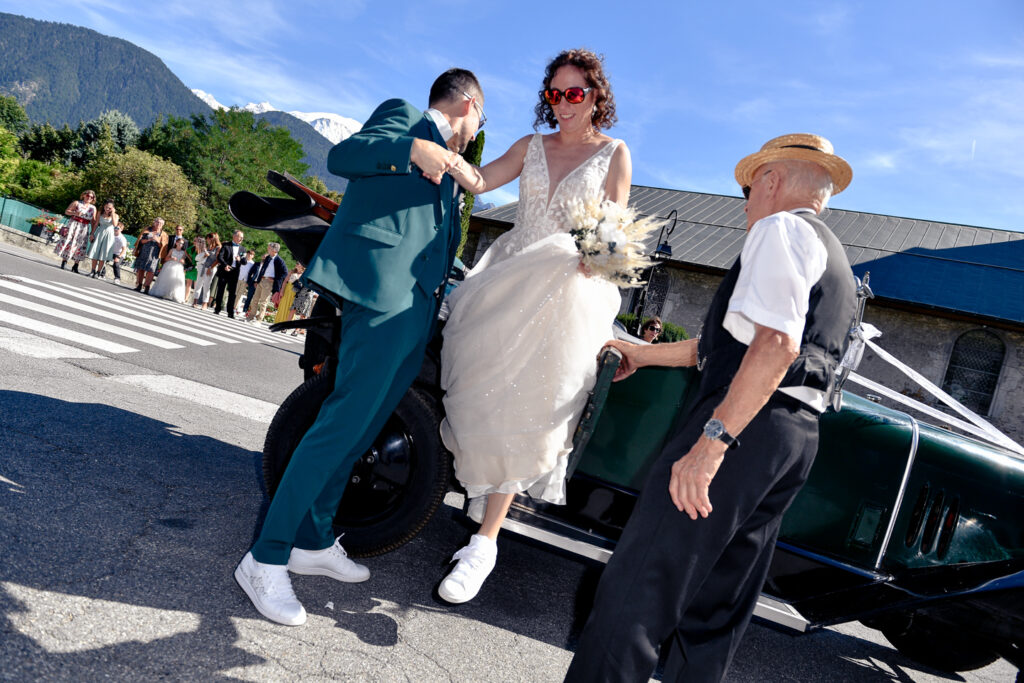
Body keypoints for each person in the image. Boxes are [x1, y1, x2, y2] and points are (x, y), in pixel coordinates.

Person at [565, 133, 858, 683]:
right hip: (791, 440)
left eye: (749, 187)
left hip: (743, 429)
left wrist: (712, 443)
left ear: (772, 181)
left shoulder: (780, 228)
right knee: (715, 611)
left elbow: (775, 345)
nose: (745, 201)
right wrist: (645, 354)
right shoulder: (834, 257)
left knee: (641, 587)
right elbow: (726, 346)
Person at [234, 67, 484, 627]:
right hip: (382, 293)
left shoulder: (449, 163)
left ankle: (314, 538)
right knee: (341, 423)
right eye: (480, 120)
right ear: (468, 104)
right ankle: (265, 557)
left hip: (417, 306)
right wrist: (414, 148)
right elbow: (345, 156)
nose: (475, 132)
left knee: (367, 424)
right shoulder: (409, 119)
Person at [434, 48, 632, 604]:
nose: (563, 104)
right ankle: (472, 511)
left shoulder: (615, 154)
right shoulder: (530, 147)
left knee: (532, 411)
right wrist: (442, 152)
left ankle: (485, 542)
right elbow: (479, 180)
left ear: (595, 96)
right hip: (507, 285)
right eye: (555, 93)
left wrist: (601, 255)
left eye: (574, 93)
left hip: (567, 298)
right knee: (483, 399)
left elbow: (613, 233)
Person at [54, 190, 97, 273]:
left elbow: (93, 221)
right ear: (84, 195)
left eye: (92, 197)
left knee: (80, 245)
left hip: (84, 227)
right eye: (88, 195)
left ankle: (76, 265)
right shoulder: (77, 203)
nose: (89, 198)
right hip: (74, 224)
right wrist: (75, 213)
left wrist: (92, 233)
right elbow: (67, 211)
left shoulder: (93, 208)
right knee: (69, 241)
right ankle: (64, 261)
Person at [245, 243, 288, 323]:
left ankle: (259, 320)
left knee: (263, 301)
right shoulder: (268, 257)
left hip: (269, 282)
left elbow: (285, 273)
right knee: (255, 299)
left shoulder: (280, 261)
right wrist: (258, 281)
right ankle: (250, 317)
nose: (268, 249)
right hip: (261, 280)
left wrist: (275, 279)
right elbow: (262, 269)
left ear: (274, 250)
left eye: (269, 248)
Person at [213, 230, 245, 316]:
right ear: (234, 236)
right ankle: (217, 309)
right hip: (224, 270)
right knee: (220, 290)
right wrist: (225, 265)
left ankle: (230, 312)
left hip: (234, 272)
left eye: (242, 237)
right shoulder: (226, 245)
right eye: (239, 236)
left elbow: (244, 261)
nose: (241, 238)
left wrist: (240, 260)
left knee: (232, 293)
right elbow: (220, 257)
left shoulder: (242, 249)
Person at [132, 218, 167, 294]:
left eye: (160, 223)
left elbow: (164, 247)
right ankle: (139, 285)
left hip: (155, 254)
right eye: (157, 222)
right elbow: (140, 241)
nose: (158, 224)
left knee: (151, 270)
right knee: (141, 268)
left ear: (162, 225)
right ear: (154, 222)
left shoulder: (164, 234)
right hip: (144, 251)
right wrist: (149, 239)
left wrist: (157, 240)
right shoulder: (147, 230)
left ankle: (147, 286)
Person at [149, 236, 188, 302]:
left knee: (176, 281)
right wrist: (171, 258)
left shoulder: (183, 252)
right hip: (169, 266)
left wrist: (182, 261)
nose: (181, 245)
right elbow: (166, 258)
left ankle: (175, 295)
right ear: (176, 243)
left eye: (182, 244)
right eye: (180, 243)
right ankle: (162, 292)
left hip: (178, 267)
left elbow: (184, 261)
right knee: (166, 279)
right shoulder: (172, 250)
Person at [87, 201, 119, 278]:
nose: (107, 209)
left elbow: (115, 225)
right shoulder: (100, 213)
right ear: (104, 206)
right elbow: (96, 224)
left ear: (113, 208)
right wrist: (92, 234)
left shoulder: (115, 216)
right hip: (99, 233)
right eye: (106, 207)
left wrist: (113, 214)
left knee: (103, 254)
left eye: (110, 208)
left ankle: (99, 272)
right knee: (95, 251)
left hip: (109, 234)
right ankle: (93, 271)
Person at [234, 249, 257, 315]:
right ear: (246, 254)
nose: (249, 255)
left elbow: (252, 274)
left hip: (245, 280)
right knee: (234, 292)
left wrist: (249, 282)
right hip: (238, 278)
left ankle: (234, 308)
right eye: (249, 253)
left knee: (239, 294)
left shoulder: (253, 263)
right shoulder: (242, 260)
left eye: (251, 254)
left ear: (253, 256)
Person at [184, 234, 200, 303]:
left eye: (196, 241)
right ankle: (186, 298)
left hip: (198, 268)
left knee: (196, 285)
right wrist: (190, 259)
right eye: (194, 241)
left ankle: (195, 300)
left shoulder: (201, 249)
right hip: (191, 267)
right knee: (188, 283)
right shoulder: (192, 247)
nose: (194, 242)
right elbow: (186, 251)